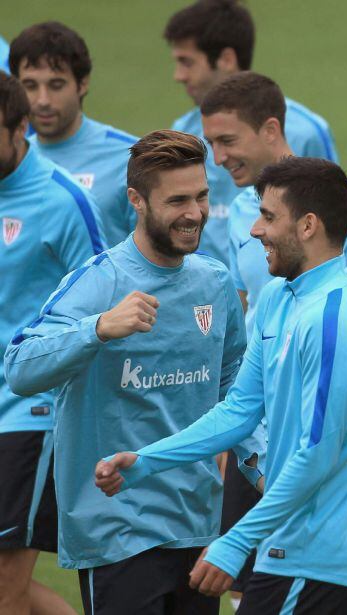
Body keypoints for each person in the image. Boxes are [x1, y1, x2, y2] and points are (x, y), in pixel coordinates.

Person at [95, 157, 347, 615]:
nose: (254, 230)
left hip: (317, 561)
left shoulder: (334, 321)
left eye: (269, 217)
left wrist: (235, 542)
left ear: (308, 226)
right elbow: (239, 411)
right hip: (288, 552)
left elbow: (316, 453)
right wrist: (148, 461)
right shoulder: (276, 300)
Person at [5, 130, 248, 615]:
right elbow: (19, 368)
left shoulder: (215, 282)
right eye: (177, 200)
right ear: (136, 200)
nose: (195, 213)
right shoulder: (99, 282)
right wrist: (98, 329)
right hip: (117, 530)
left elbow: (233, 388)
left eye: (201, 197)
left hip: (196, 526)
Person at [200, 71, 347, 603]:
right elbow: (247, 315)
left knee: (288, 574)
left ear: (269, 129)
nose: (217, 158)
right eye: (210, 143)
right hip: (257, 429)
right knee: (247, 585)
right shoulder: (242, 210)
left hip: (315, 429)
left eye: (227, 141)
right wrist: (229, 434)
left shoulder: (342, 199)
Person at [0, 71, 103, 615]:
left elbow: (101, 301)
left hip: (29, 413)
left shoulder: (62, 201)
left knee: (4, 585)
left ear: (20, 129)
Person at [165, 0, 339, 264]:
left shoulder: (306, 132)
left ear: (226, 59)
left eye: (187, 62)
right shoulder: (181, 132)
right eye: (212, 143)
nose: (178, 75)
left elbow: (332, 222)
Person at [9, 22, 137, 248]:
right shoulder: (12, 162)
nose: (42, 101)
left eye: (56, 85)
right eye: (29, 86)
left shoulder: (130, 158)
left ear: (82, 84)